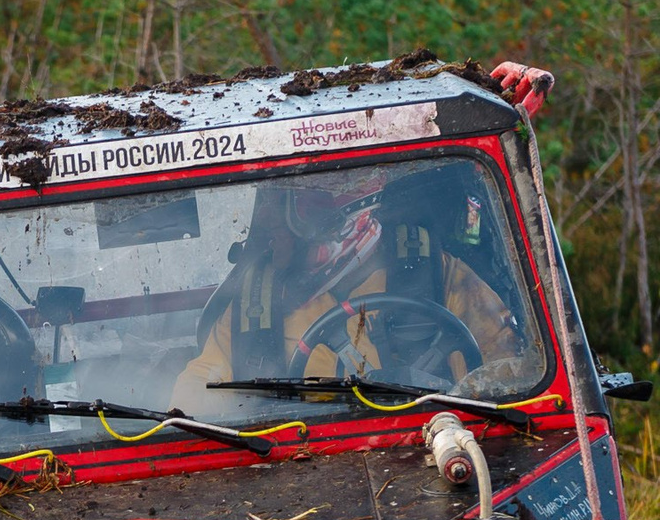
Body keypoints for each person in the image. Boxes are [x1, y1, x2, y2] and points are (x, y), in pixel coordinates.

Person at [170, 163, 533, 413]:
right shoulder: (258, 300)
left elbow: (511, 376)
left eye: (281, 230)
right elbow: (199, 388)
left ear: (341, 227)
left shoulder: (440, 275)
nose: (269, 242)